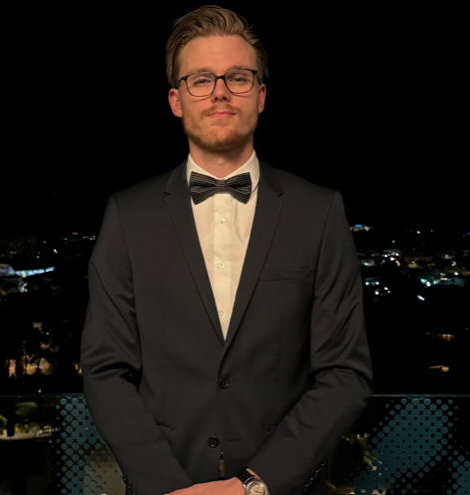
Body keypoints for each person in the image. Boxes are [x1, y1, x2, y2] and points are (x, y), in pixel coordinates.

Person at [80, 6, 373, 495]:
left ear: (261, 96)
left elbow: (346, 372)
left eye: (237, 77)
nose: (219, 91)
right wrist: (168, 488)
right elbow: (105, 369)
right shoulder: (127, 215)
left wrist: (255, 485)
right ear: (176, 101)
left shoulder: (319, 212)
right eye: (201, 80)